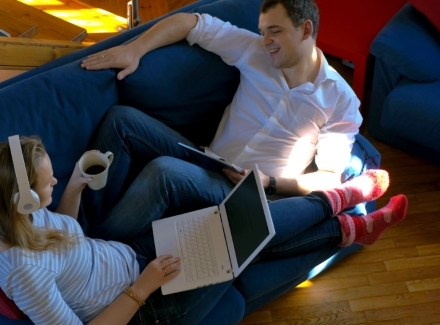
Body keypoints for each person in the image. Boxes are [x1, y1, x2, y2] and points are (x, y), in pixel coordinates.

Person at [0, 136, 407, 325]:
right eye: (47, 182)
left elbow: (67, 233)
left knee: (233, 227)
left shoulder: (7, 212)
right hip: (143, 306)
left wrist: (75, 184)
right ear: (22, 197)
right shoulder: (25, 274)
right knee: (238, 243)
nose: (53, 181)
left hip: (128, 257)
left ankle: (349, 226)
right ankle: (341, 204)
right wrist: (144, 287)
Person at [80, 0, 363, 227]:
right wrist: (134, 49)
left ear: (305, 30)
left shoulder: (338, 99)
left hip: (245, 193)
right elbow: (193, 23)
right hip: (208, 160)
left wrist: (268, 182)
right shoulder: (254, 51)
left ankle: (95, 248)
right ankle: (81, 226)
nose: (265, 41)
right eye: (263, 31)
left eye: (274, 31)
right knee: (122, 121)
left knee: (164, 172)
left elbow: (329, 177)